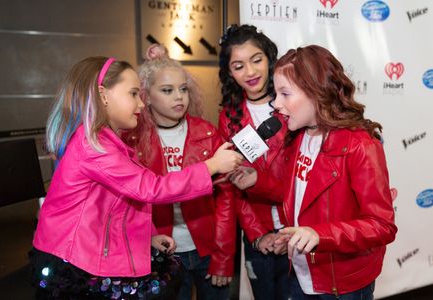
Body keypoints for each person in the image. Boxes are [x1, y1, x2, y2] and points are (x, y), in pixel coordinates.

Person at [30, 56, 243, 299]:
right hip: (74, 262)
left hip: (86, 254)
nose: (141, 105)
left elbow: (121, 205)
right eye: (133, 94)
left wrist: (149, 236)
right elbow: (150, 188)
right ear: (104, 95)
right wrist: (211, 166)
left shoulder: (106, 142)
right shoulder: (94, 147)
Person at [232, 45, 398, 299]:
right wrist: (292, 234)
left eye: (285, 94)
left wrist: (319, 235)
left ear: (316, 93)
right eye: (276, 94)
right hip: (300, 272)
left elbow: (382, 225)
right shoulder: (298, 138)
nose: (276, 103)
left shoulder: (361, 146)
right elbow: (300, 196)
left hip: (341, 285)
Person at [123, 44, 235, 300]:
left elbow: (226, 198)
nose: (179, 97)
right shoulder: (134, 139)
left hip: (208, 249)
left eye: (183, 89)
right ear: (146, 96)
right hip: (162, 251)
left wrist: (224, 256)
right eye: (167, 90)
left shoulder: (207, 133)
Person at [218, 24, 290, 300]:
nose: (249, 72)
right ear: (229, 73)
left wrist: (286, 232)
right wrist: (258, 235)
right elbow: (233, 186)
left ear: (270, 59)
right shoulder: (229, 117)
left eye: (256, 60)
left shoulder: (293, 105)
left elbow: (303, 179)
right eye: (238, 66)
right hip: (256, 235)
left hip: (296, 230)